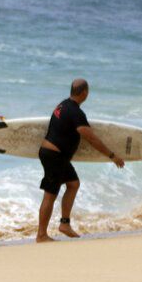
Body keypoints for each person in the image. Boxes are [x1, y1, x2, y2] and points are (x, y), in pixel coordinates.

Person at [37, 78, 125, 242]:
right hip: (54, 156)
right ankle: (41, 235)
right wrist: (112, 156)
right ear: (84, 92)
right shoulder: (76, 113)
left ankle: (64, 224)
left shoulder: (62, 105)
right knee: (50, 195)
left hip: (56, 155)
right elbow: (92, 139)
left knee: (73, 184)